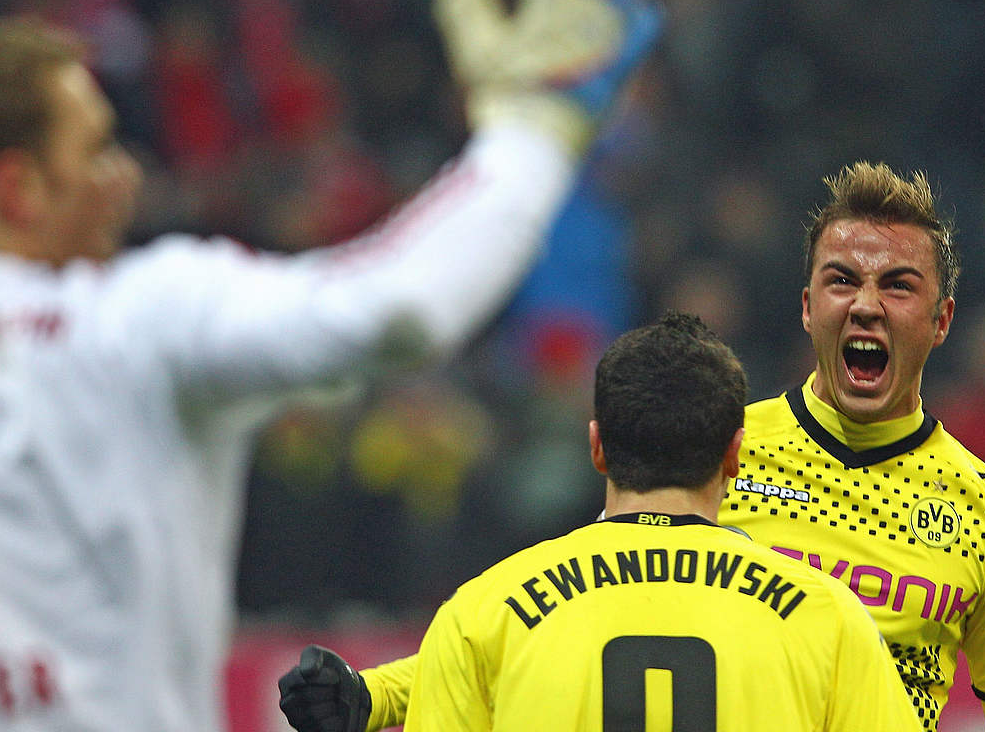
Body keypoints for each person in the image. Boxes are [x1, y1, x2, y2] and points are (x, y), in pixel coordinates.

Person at [0, 0, 660, 727]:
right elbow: (396, 308)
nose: (126, 176)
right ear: (17, 189)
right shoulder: (133, 320)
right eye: (96, 148)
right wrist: (533, 129)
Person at [277, 163, 985, 732]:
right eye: (842, 280)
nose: (865, 304)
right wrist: (374, 695)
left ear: (939, 322)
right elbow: (546, 624)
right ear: (807, 307)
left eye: (897, 286)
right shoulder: (711, 449)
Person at [282, 312, 922, 731]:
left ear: (596, 447)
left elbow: (494, 657)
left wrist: (374, 696)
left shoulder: (485, 614)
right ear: (734, 453)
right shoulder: (828, 618)